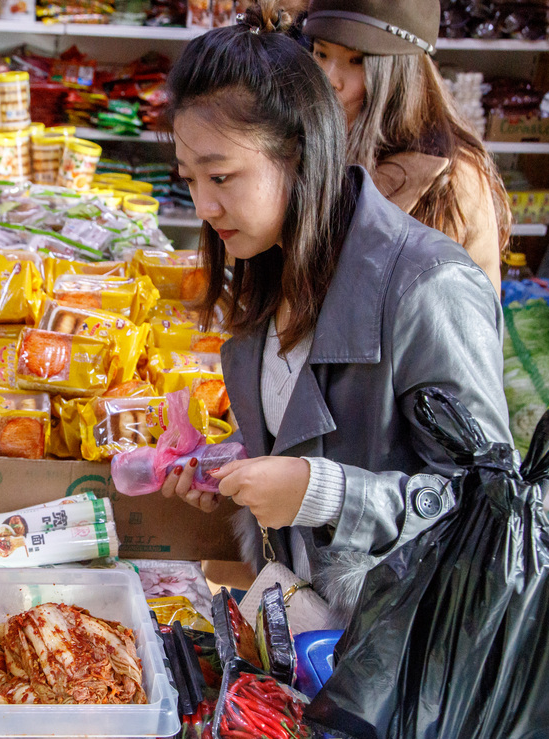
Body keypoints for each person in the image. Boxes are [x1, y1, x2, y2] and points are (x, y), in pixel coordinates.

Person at [160, 4, 511, 619]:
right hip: (311, 640)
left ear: (301, 154)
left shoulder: (427, 285)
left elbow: (494, 503)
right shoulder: (272, 270)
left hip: (406, 664)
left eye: (221, 176)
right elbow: (314, 422)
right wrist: (230, 464)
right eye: (189, 179)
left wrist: (322, 492)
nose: (205, 206)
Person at [304, 0, 511, 292]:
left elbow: (441, 322)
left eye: (357, 61)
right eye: (321, 53)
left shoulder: (449, 179)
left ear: (400, 73)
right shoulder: (329, 140)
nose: (329, 78)